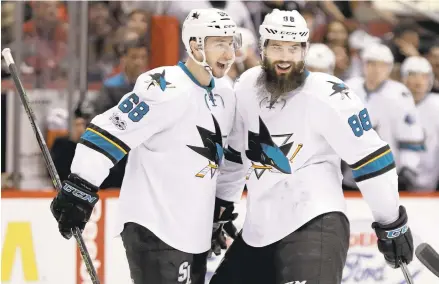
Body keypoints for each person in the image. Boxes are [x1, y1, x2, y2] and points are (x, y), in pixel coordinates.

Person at [210, 9, 414, 284]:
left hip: (315, 223)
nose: (284, 57)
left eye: (293, 48)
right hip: (259, 230)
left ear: (304, 51)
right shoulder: (246, 87)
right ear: (262, 49)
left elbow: (370, 158)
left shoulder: (329, 94)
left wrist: (391, 224)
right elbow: (235, 155)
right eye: (277, 47)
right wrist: (220, 208)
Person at [49, 8, 245, 284]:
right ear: (194, 45)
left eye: (231, 43)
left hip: (194, 230)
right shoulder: (164, 88)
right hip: (155, 225)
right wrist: (80, 186)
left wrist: (219, 210)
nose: (228, 53)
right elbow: (109, 131)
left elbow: (224, 159)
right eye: (218, 43)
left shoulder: (226, 93)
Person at [345, 43, 425, 190]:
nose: (376, 70)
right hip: (350, 174)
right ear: (364, 64)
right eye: (372, 64)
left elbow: (410, 136)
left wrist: (408, 168)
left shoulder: (400, 94)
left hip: (387, 174)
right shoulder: (349, 88)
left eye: (382, 65)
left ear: (389, 68)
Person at [401, 56, 439, 192]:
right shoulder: (393, 103)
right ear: (404, 79)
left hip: (430, 186)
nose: (418, 82)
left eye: (423, 77)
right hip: (396, 183)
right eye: (413, 76)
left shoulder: (436, 105)